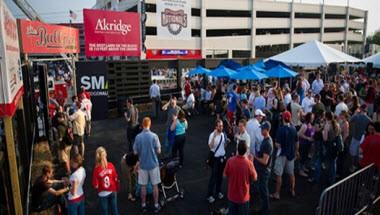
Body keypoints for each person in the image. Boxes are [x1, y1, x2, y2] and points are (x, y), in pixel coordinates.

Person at [133, 117, 162, 213]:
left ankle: (143, 205)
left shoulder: (138, 137)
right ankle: (156, 205)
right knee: (155, 186)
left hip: (143, 165)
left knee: (143, 186)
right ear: (150, 124)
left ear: (142, 125)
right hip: (153, 165)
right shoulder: (154, 136)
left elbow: (135, 152)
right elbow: (159, 151)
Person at [224, 141, 257, 215]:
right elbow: (255, 178)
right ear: (246, 151)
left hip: (232, 195)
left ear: (237, 149)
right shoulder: (249, 163)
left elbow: (225, 175)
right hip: (243, 197)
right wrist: (252, 163)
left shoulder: (230, 161)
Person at [271, 111, 298, 199]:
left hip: (282, 154)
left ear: (283, 118)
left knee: (279, 175)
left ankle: (277, 193)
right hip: (291, 154)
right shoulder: (294, 128)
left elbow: (277, 144)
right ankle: (292, 190)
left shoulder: (281, 129)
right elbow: (297, 142)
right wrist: (296, 151)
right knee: (291, 173)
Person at [92, 147, 120, 215]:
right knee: (114, 210)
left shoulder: (96, 169)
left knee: (104, 212)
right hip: (112, 190)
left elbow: (95, 185)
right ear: (106, 154)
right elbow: (115, 177)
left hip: (103, 193)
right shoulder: (111, 165)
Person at [254, 121, 273, 215]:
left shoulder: (267, 143)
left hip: (264, 171)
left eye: (262, 129)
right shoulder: (266, 140)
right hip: (263, 170)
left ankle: (265, 210)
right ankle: (264, 208)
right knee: (262, 190)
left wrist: (255, 157)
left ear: (267, 130)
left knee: (264, 191)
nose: (261, 130)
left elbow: (265, 161)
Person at [207, 119, 228, 203]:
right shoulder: (212, 135)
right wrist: (214, 137)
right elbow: (210, 147)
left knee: (220, 177)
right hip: (215, 159)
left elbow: (223, 146)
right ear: (216, 127)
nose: (221, 127)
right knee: (213, 177)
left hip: (222, 159)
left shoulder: (223, 134)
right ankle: (209, 195)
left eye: (222, 126)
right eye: (220, 126)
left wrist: (227, 143)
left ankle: (218, 191)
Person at [349, 104, 372, 172]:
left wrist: (355, 113)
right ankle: (359, 166)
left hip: (355, 137)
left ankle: (353, 166)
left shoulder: (356, 116)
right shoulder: (368, 119)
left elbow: (350, 120)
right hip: (363, 138)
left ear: (361, 109)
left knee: (353, 153)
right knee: (360, 154)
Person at [323, 112, 342, 185]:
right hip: (335, 146)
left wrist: (322, 133)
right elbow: (339, 133)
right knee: (334, 163)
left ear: (327, 117)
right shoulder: (337, 124)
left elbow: (325, 139)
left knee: (328, 163)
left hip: (329, 146)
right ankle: (332, 179)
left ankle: (328, 179)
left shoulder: (327, 126)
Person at [297, 112, 315, 177]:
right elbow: (299, 134)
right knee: (302, 157)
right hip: (303, 144)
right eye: (312, 117)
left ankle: (303, 167)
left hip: (308, 144)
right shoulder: (305, 125)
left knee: (305, 157)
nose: (313, 119)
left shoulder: (310, 124)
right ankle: (300, 170)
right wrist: (307, 138)